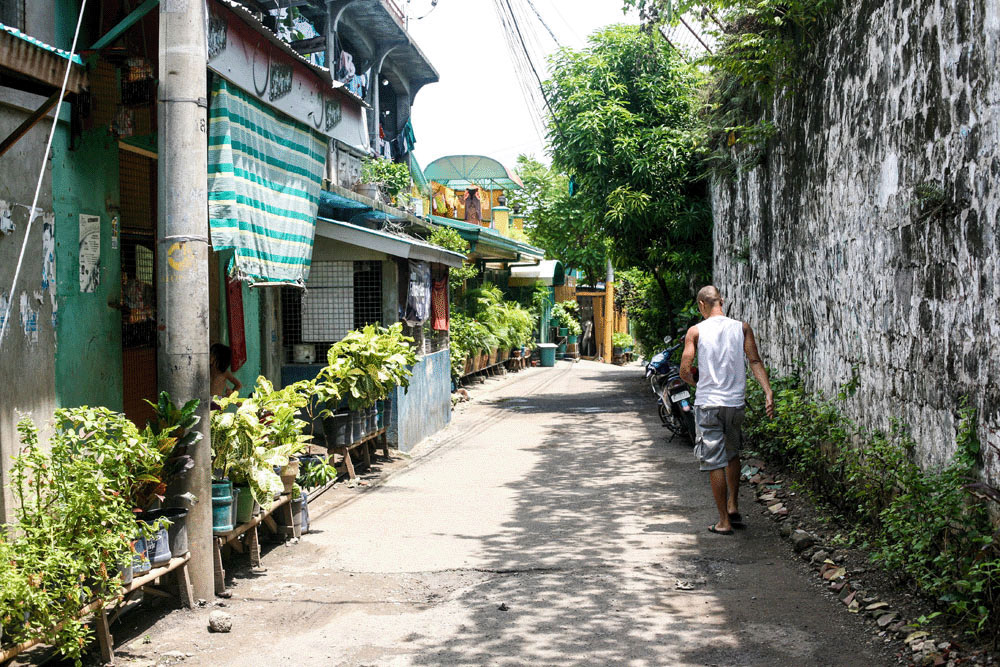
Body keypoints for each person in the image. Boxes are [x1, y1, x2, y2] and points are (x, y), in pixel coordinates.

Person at [680, 285, 774, 536]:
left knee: (714, 461)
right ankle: (733, 505)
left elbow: (685, 369)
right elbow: (755, 361)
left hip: (709, 404)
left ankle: (723, 521)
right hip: (735, 403)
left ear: (701, 305)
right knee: (732, 453)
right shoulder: (741, 327)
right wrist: (767, 391)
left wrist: (698, 384)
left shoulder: (695, 331)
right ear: (722, 301)